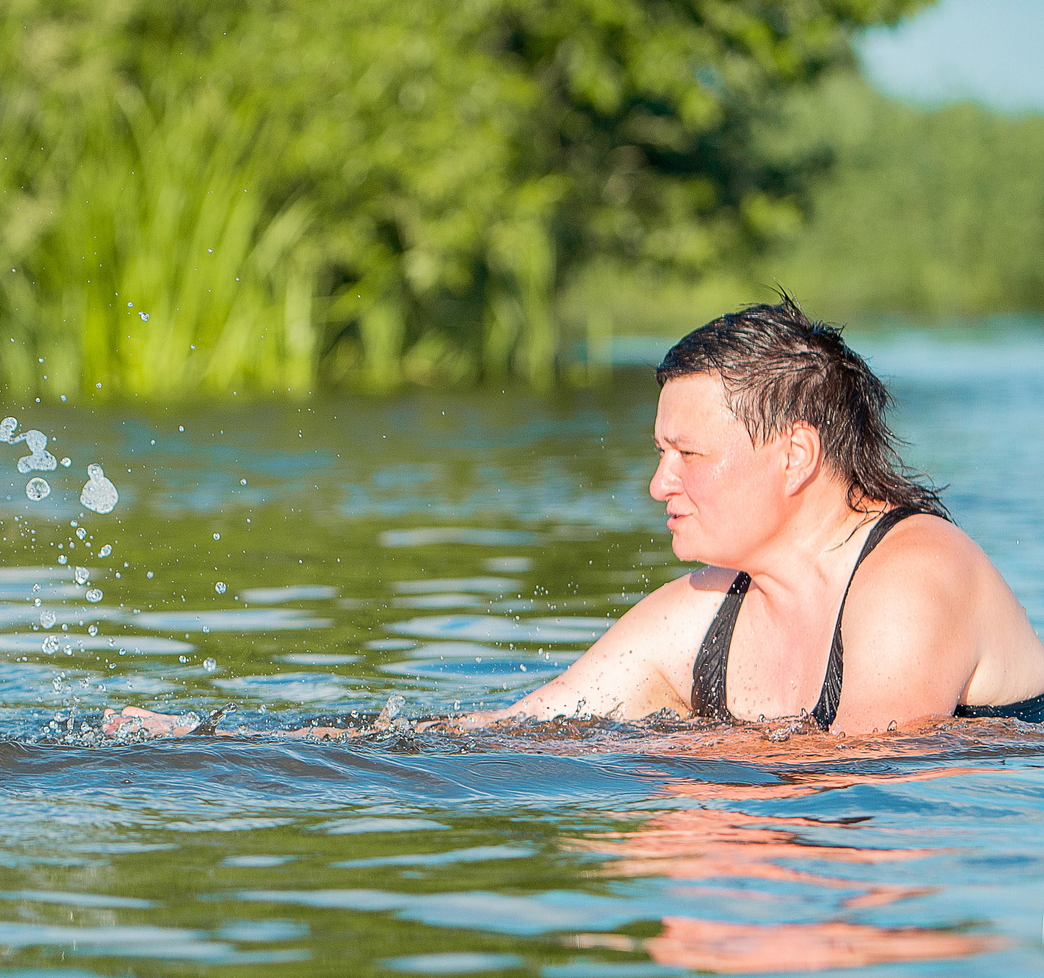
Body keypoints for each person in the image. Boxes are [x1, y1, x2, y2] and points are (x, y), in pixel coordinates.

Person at [109, 299, 1044, 737]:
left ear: (795, 456)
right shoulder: (706, 611)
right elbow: (513, 728)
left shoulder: (914, 577)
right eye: (657, 452)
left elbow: (868, 787)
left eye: (688, 456)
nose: (658, 484)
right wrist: (217, 742)